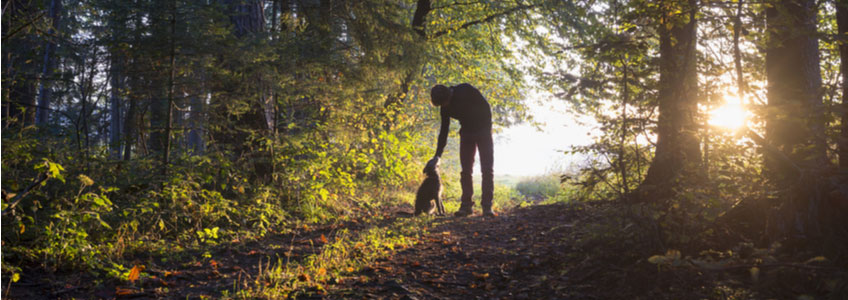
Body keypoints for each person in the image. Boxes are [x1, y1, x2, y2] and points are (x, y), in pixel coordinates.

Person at [426, 83, 495, 217]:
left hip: (483, 131)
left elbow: (486, 107)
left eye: (445, 103)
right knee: (466, 170)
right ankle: (466, 206)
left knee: (487, 169)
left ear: (449, 95)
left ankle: (487, 206)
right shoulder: (444, 107)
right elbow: (444, 131)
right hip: (466, 133)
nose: (444, 107)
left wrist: (485, 129)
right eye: (441, 105)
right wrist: (437, 155)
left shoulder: (466, 90)